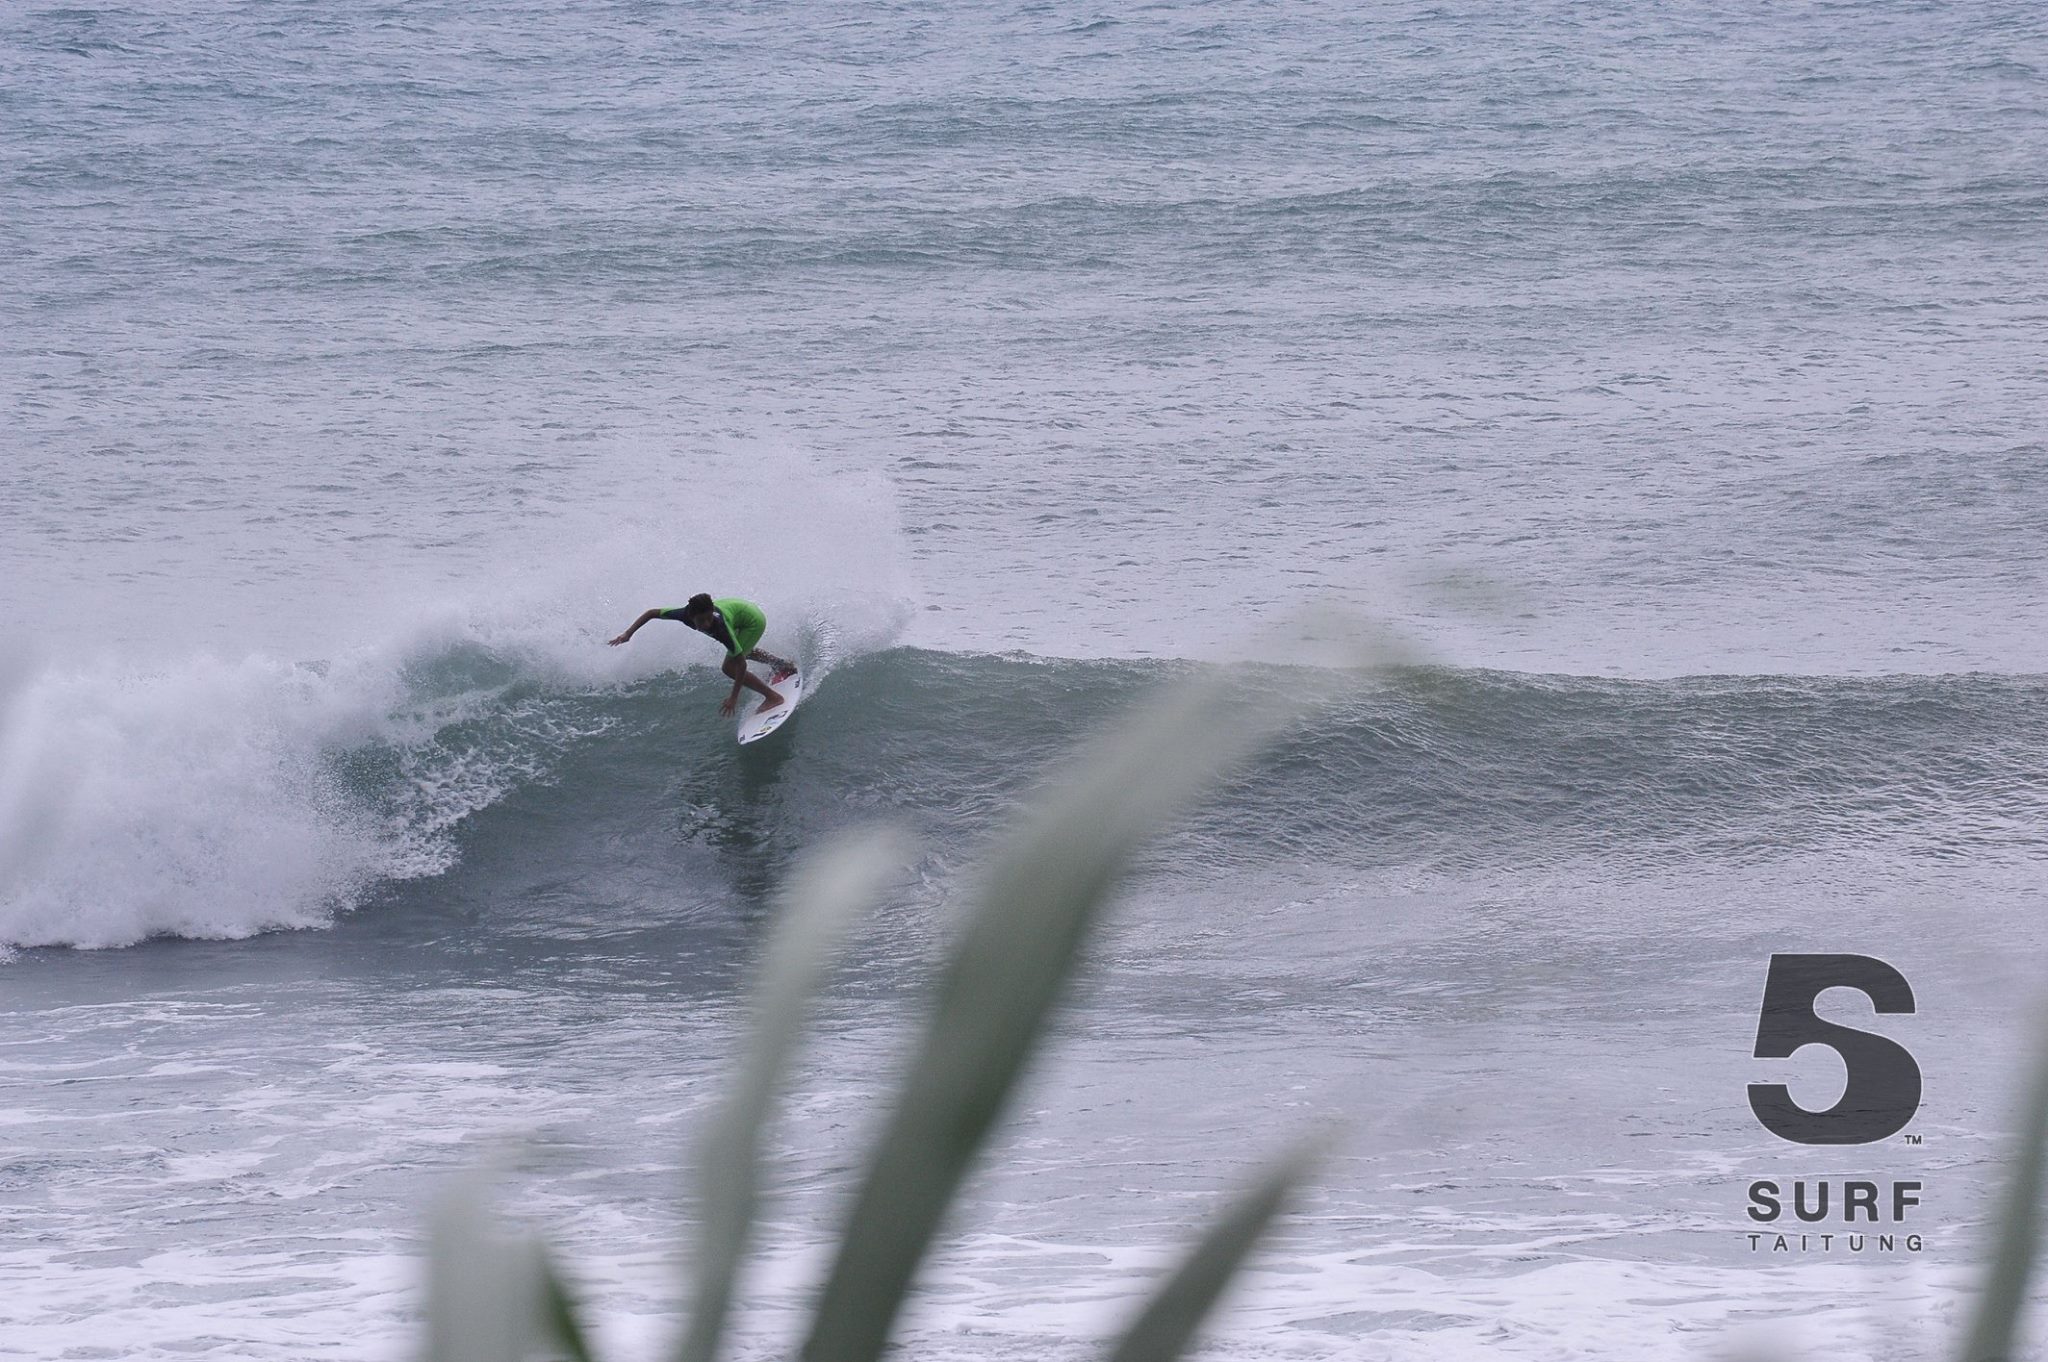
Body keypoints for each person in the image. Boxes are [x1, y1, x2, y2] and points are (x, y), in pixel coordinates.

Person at [610, 594, 798, 715]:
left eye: (709, 618)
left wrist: (734, 697)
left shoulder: (721, 628)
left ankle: (773, 697)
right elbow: (651, 613)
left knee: (729, 665)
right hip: (740, 611)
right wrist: (628, 633)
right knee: (738, 651)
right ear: (690, 616)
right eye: (702, 620)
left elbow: (740, 666)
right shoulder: (682, 614)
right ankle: (781, 664)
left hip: (752, 621)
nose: (707, 624)